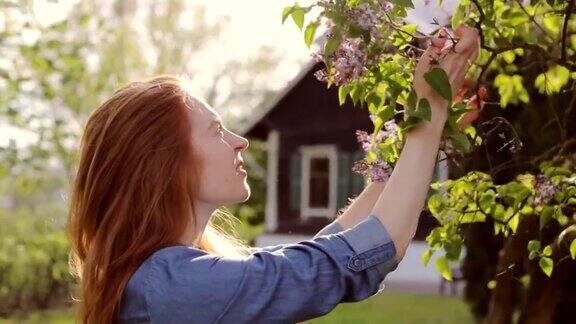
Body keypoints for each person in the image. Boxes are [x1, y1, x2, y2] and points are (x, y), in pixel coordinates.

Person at [66, 24, 479, 323]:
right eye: (215, 130)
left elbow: (319, 256)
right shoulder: (173, 286)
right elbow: (357, 256)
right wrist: (431, 114)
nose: (240, 141)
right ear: (165, 165)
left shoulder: (172, 276)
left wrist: (421, 137)